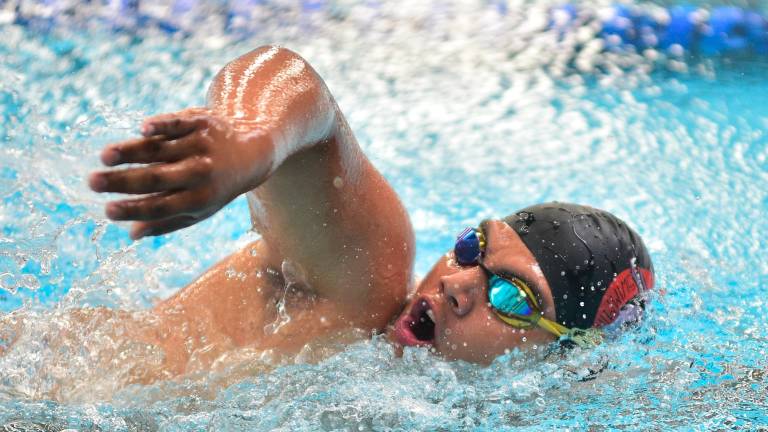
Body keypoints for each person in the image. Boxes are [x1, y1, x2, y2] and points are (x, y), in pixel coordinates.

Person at [86, 45, 654, 379]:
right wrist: (250, 140)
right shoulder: (367, 283)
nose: (456, 284)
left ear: (563, 362)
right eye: (470, 248)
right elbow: (295, 82)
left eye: (512, 296)